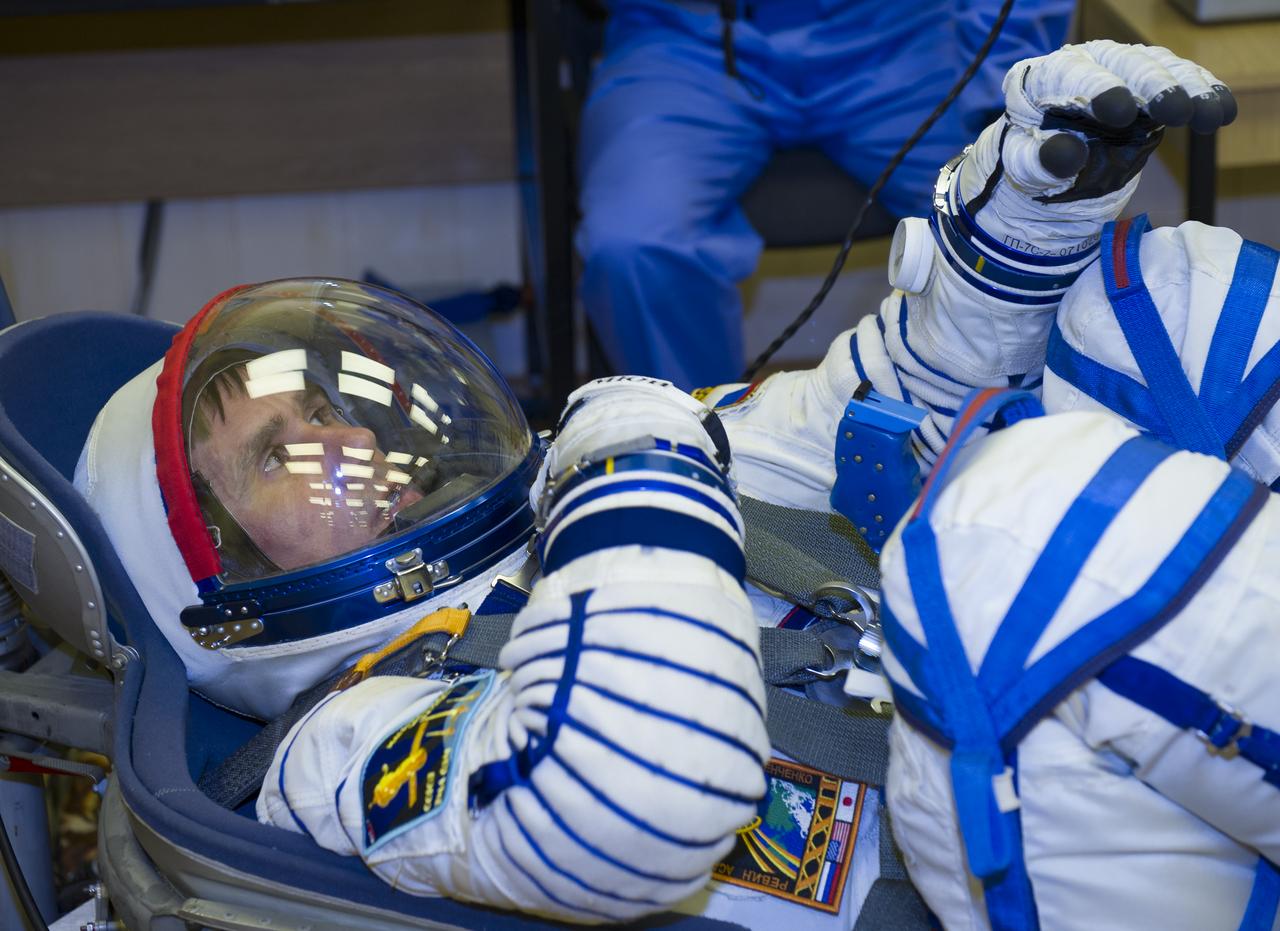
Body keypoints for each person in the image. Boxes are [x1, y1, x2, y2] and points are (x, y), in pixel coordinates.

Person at [74, 39, 1242, 927]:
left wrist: (1026, 226)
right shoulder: (338, 742)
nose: (339, 438)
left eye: (324, 406)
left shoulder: (573, 502)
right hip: (969, 876)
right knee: (1010, 527)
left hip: (1088, 780)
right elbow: (626, 804)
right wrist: (636, 474)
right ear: (214, 583)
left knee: (1162, 303)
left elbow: (875, 415)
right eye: (278, 455)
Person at [577, 0, 1074, 391]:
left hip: (900, 36)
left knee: (1020, 234)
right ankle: (696, 455)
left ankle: (1009, 447)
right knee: (633, 244)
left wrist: (1005, 69)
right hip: (685, 40)